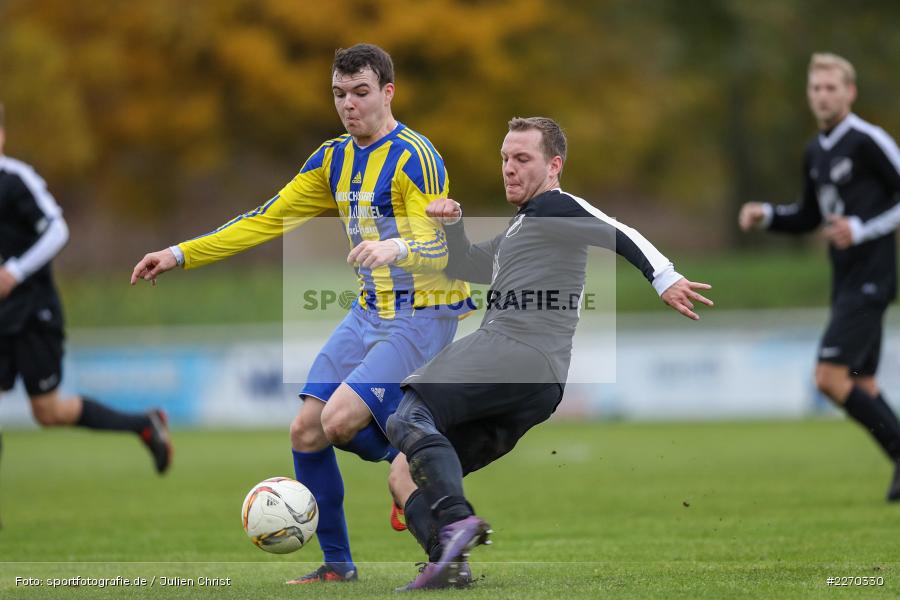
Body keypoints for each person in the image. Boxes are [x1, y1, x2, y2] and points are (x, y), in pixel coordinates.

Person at [130, 44, 471, 584]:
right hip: (369, 311)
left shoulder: (416, 157)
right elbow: (264, 219)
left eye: (361, 92)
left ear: (388, 92)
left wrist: (396, 247)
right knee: (307, 431)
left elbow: (442, 248)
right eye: (339, 94)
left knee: (338, 421)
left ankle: (416, 467)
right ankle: (340, 563)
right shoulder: (332, 159)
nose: (348, 104)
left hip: (423, 312)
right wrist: (179, 253)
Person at [376, 116, 712, 590]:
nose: (508, 168)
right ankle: (449, 564)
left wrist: (664, 276)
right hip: (538, 384)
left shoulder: (556, 207)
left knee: (407, 415)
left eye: (522, 158)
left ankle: (455, 520)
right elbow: (465, 263)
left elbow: (617, 230)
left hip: (516, 347)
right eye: (504, 159)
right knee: (404, 472)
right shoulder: (523, 226)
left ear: (553, 166)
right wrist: (453, 225)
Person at [739, 53, 900, 501]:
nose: (823, 96)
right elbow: (809, 215)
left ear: (850, 92)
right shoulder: (815, 150)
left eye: (831, 88)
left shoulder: (868, 140)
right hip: (844, 279)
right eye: (816, 88)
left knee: (829, 377)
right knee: (861, 383)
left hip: (872, 276)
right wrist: (768, 215)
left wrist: (861, 229)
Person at [0, 102, 172, 477]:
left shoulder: (15, 179)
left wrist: (14, 272)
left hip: (32, 311)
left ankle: (143, 424)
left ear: (2, 136)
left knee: (48, 412)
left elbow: (57, 229)